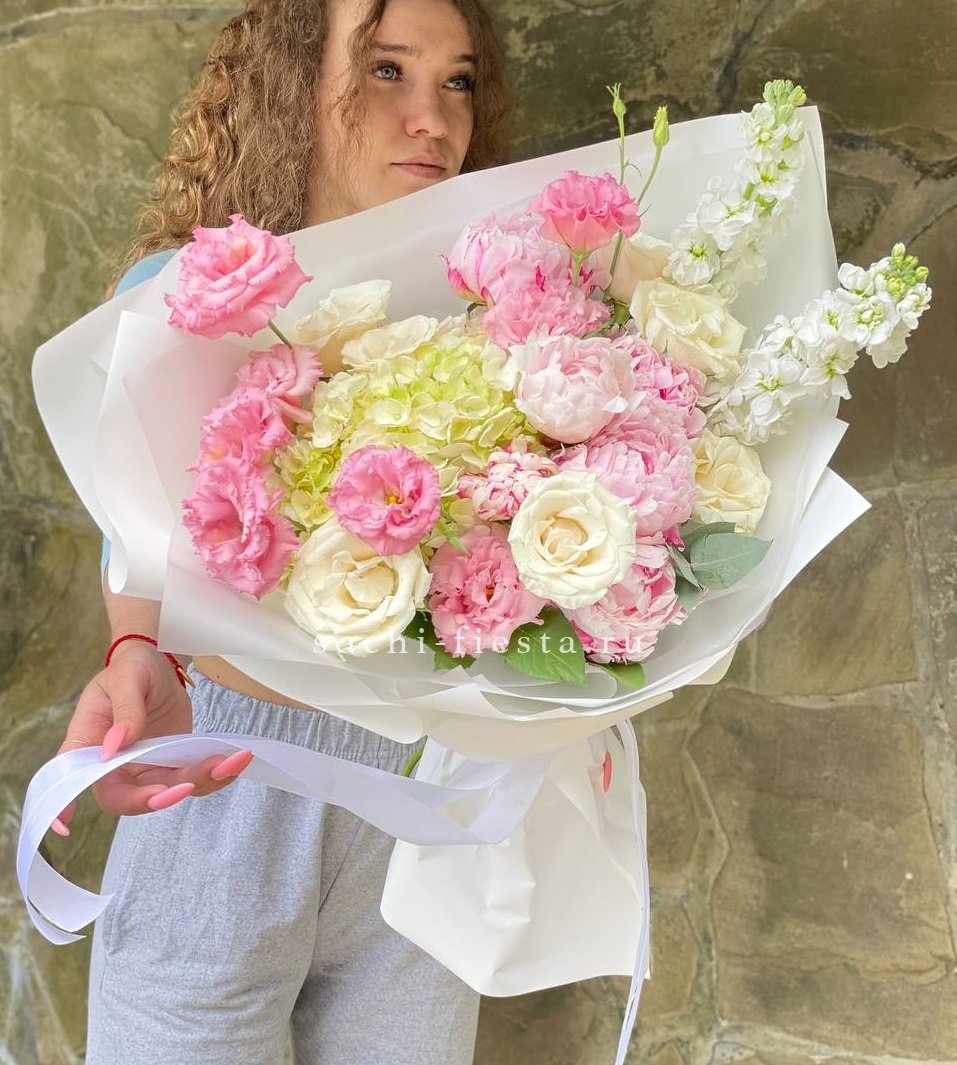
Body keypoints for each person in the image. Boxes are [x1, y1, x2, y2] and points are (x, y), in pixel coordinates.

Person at [50, 1, 512, 1061]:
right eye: (387, 70)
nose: (432, 118)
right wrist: (133, 653)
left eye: (457, 80)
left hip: (421, 803)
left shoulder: (501, 304)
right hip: (227, 784)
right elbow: (138, 533)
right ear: (294, 83)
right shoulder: (181, 297)